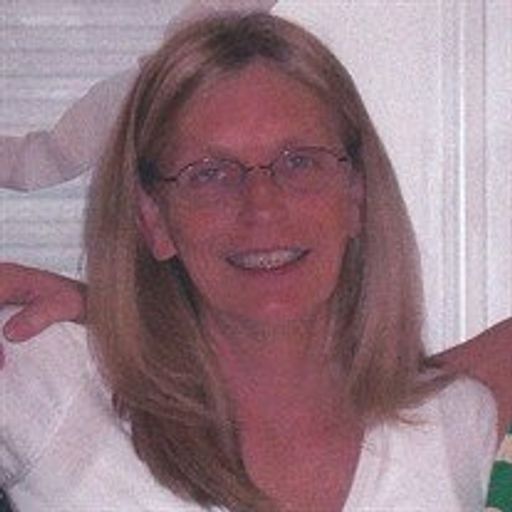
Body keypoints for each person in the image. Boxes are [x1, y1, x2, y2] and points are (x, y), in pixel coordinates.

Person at [0, 11, 500, 511]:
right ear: (154, 220)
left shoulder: (455, 423)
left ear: (357, 195)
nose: (262, 207)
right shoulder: (50, 381)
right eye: (210, 173)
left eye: (299, 162)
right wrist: (114, 310)